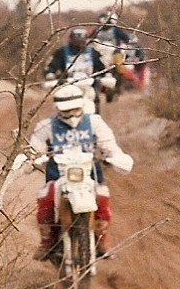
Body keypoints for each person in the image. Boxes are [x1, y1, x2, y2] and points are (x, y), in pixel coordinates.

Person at [26, 84, 133, 261]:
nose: (72, 115)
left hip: (91, 175)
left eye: (76, 110)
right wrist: (31, 159)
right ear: (58, 109)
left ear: (82, 106)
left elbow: (109, 145)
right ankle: (47, 240)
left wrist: (115, 157)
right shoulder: (46, 126)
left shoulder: (94, 122)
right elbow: (34, 149)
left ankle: (101, 240)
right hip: (57, 176)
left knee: (102, 199)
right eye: (67, 111)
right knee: (45, 199)